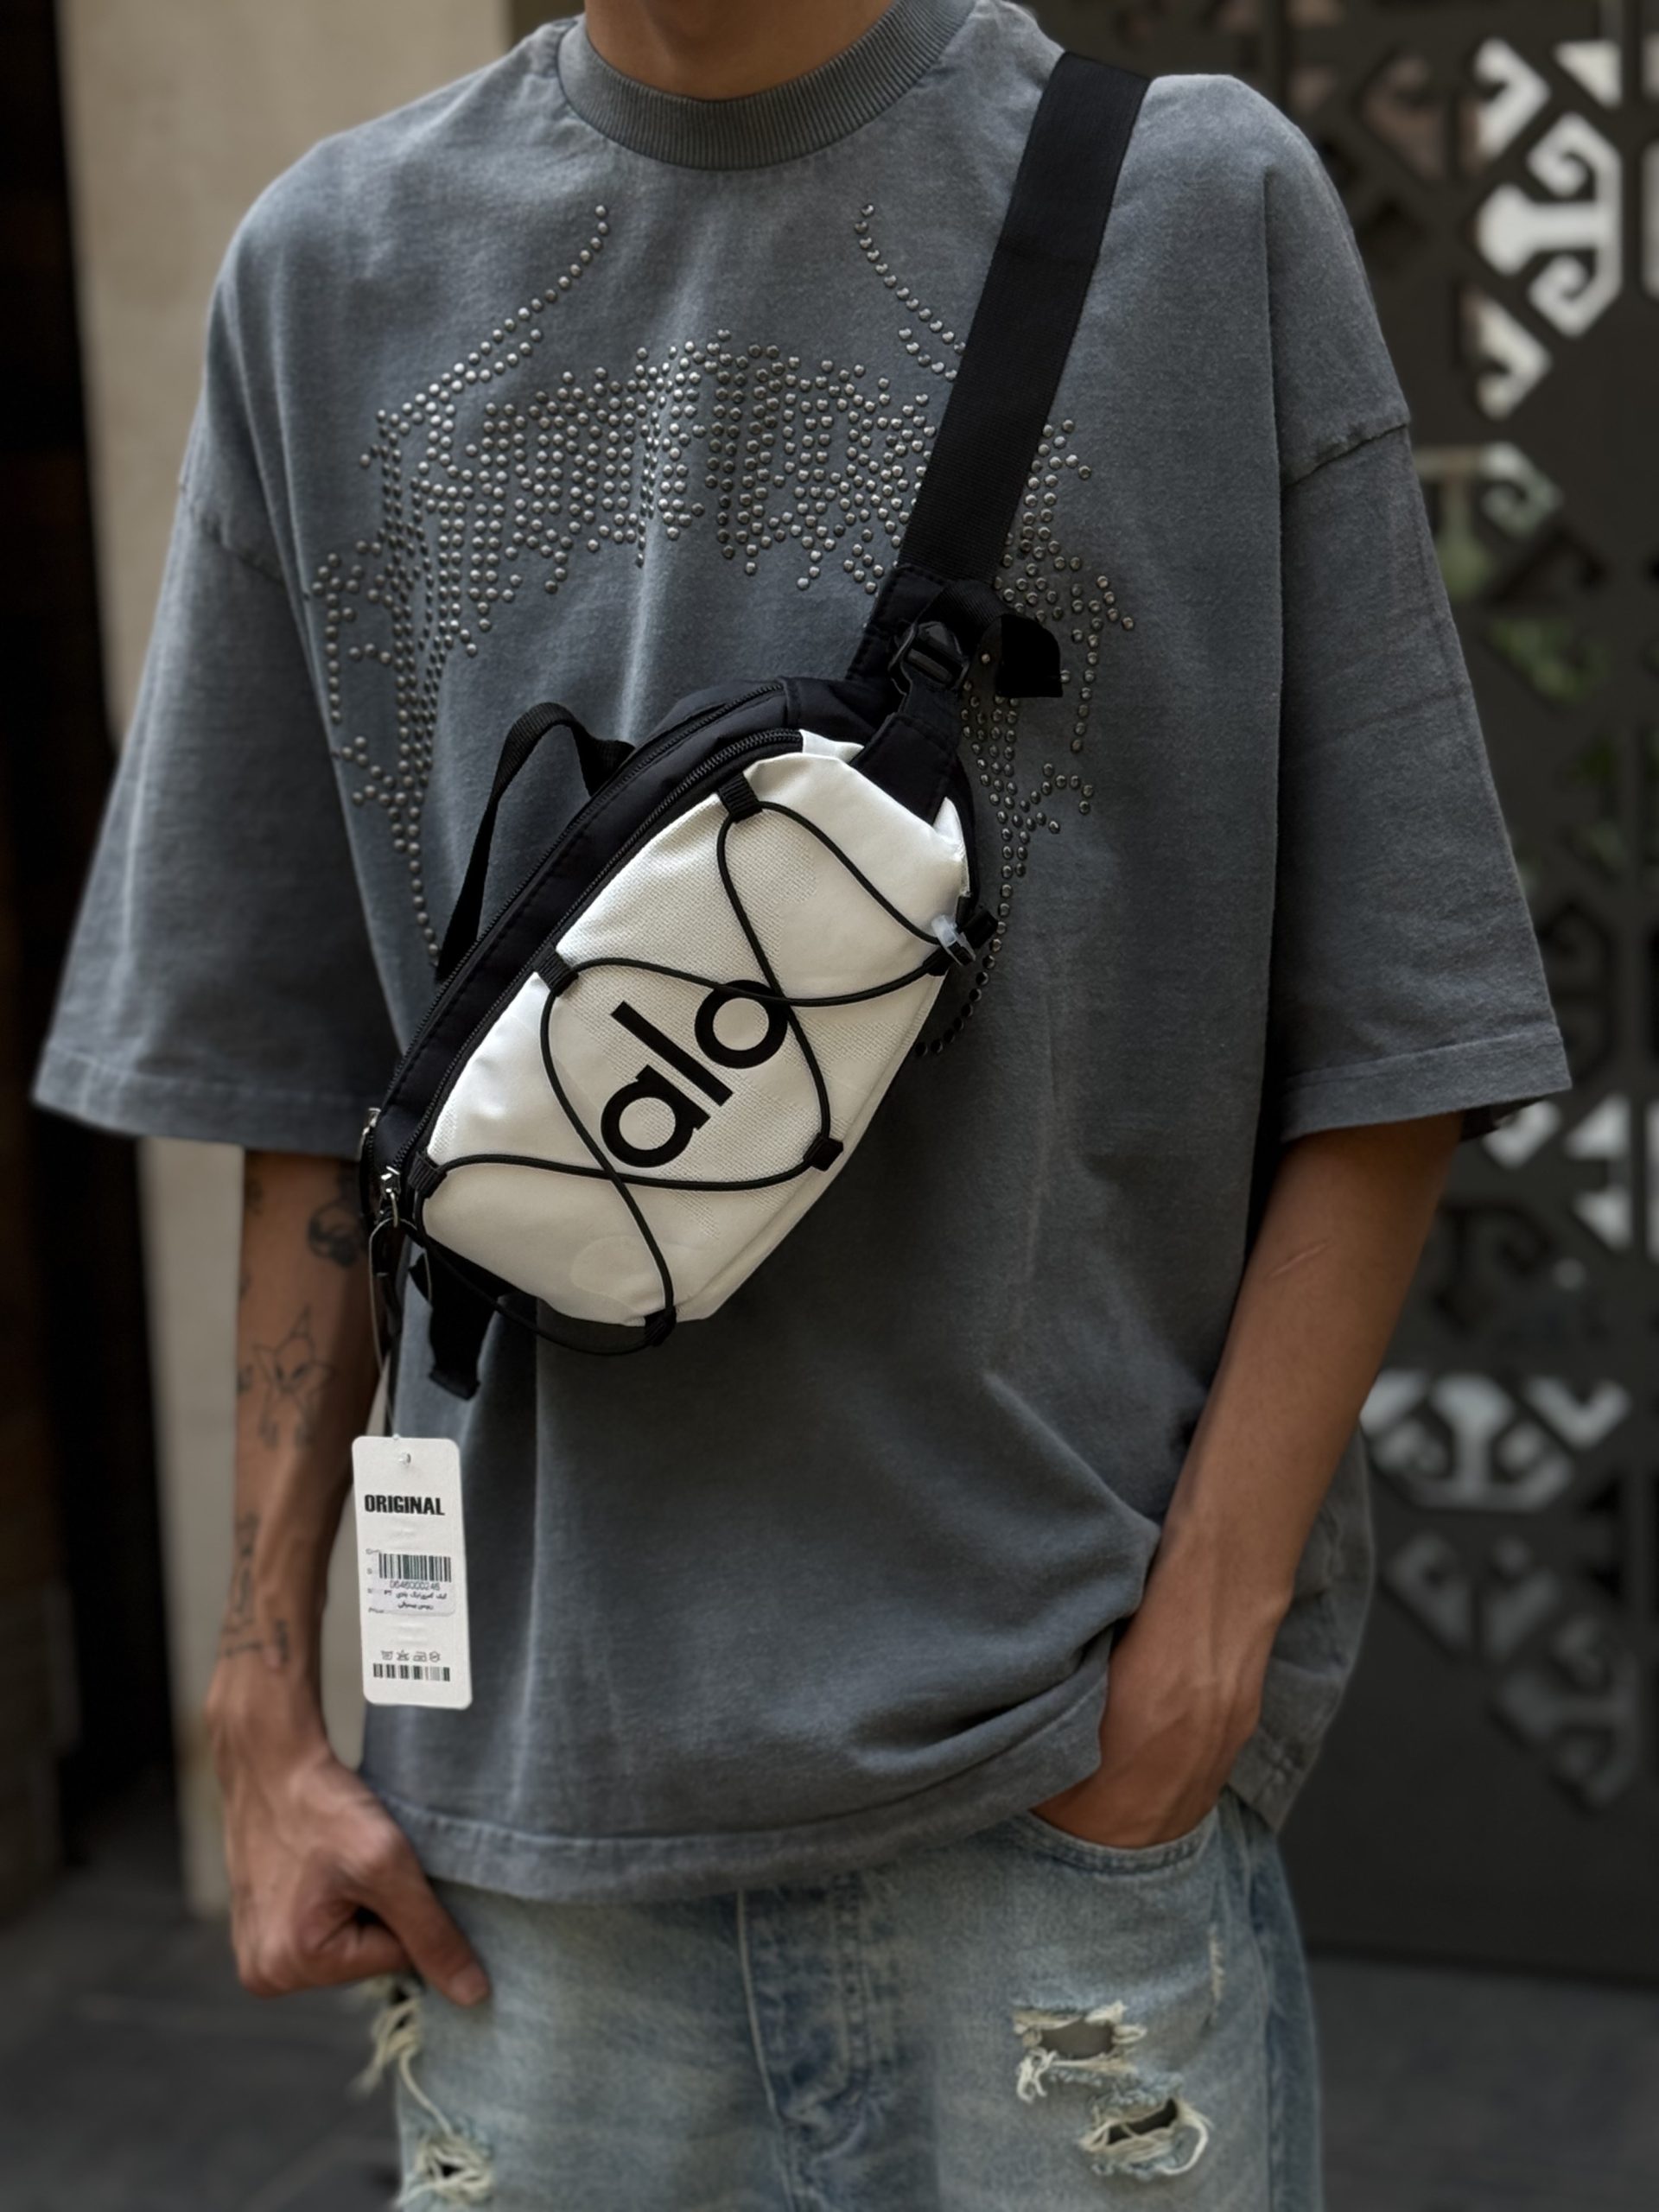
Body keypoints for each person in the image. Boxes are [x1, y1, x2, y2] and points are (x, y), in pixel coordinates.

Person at [34, 1, 1573, 2204]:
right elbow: (300, 1076)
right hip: (529, 1873)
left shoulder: (1192, 210)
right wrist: (263, 1701)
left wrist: (1199, 1663)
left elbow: (1405, 1020)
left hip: (1051, 1815)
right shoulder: (331, 270)